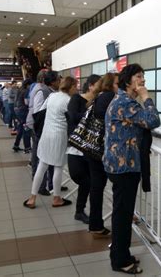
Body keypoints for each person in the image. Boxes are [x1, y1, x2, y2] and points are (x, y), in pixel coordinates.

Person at [104, 64, 160, 274]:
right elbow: (153, 120)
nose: (143, 80)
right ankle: (119, 260)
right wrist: (147, 97)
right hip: (124, 166)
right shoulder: (126, 102)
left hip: (120, 164)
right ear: (128, 81)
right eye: (139, 76)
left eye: (143, 76)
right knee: (122, 215)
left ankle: (121, 254)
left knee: (123, 214)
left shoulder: (121, 100)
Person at [23, 76, 78, 209]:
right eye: (75, 86)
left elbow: (40, 112)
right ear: (70, 87)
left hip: (46, 135)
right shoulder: (69, 101)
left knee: (42, 166)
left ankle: (32, 198)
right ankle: (57, 198)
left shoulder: (52, 96)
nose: (76, 89)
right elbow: (73, 120)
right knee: (58, 167)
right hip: (59, 136)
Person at [66, 74, 101, 224]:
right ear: (91, 85)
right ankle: (80, 211)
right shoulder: (77, 99)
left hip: (91, 147)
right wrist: (89, 113)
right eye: (99, 84)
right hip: (76, 145)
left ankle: (79, 211)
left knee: (90, 182)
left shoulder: (100, 101)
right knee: (79, 176)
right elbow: (72, 117)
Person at [86, 72, 118, 237]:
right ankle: (122, 218)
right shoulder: (112, 98)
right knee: (118, 186)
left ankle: (95, 224)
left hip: (93, 147)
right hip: (105, 148)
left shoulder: (98, 97)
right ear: (112, 84)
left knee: (96, 187)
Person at [13, 79, 32, 153]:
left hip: (18, 110)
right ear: (28, 85)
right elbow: (26, 102)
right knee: (26, 129)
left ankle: (16, 145)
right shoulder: (26, 91)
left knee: (20, 128)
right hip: (23, 111)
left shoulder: (20, 89)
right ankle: (27, 148)